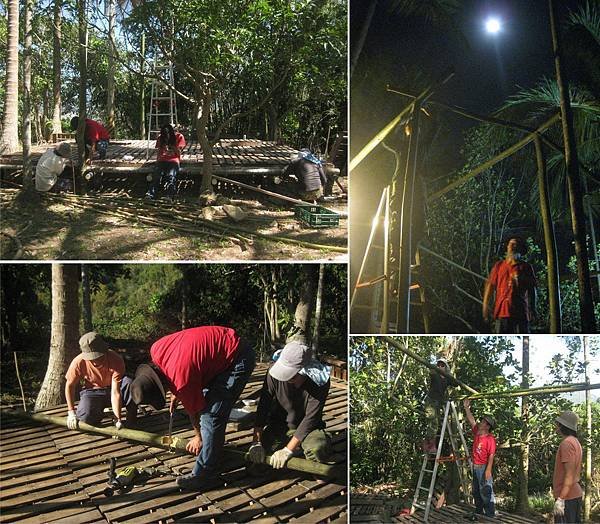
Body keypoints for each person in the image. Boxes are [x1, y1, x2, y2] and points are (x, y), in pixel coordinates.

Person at [143, 326, 255, 491]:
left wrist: (198, 437)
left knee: (211, 416)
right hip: (218, 353)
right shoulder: (156, 349)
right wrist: (177, 392)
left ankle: (205, 474)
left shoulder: (182, 379)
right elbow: (181, 365)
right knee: (207, 406)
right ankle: (213, 450)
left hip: (237, 357)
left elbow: (194, 411)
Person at [247, 341, 333, 471]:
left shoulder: (320, 382)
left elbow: (311, 417)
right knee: (257, 459)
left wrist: (287, 450)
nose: (286, 379)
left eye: (292, 377)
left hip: (310, 428)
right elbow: (263, 406)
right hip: (279, 424)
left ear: (305, 372)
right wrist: (256, 442)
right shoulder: (272, 373)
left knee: (318, 449)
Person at [65, 332, 136, 429]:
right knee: (85, 416)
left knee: (129, 383)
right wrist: (71, 412)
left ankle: (130, 420)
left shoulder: (115, 359)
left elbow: (115, 392)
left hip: (113, 389)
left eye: (98, 356)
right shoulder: (78, 362)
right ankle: (98, 414)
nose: (95, 360)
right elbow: (70, 385)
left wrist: (118, 419)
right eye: (91, 358)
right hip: (93, 392)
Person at [482, 236, 536, 334]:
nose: (512, 246)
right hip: (502, 311)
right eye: (510, 244)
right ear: (507, 247)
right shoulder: (499, 266)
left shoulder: (526, 267)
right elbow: (490, 286)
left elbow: (531, 289)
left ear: (520, 248)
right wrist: (485, 306)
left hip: (521, 312)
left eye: (515, 244)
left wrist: (533, 309)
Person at [463, 399, 496, 519]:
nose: (481, 423)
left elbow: (491, 455)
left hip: (483, 467)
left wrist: (488, 470)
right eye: (482, 421)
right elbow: (472, 421)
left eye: (483, 422)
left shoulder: (490, 439)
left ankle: (490, 514)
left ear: (488, 426)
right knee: (476, 491)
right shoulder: (478, 432)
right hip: (475, 466)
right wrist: (467, 408)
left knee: (486, 490)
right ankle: (479, 511)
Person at [553, 410, 583, 524]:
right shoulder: (575, 442)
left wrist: (561, 499)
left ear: (562, 426)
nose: (556, 427)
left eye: (558, 424)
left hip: (568, 497)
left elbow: (569, 475)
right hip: (573, 495)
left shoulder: (567, 443)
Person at [423, 357, 457, 454]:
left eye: (442, 365)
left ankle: (427, 444)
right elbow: (431, 371)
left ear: (446, 367)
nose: (440, 367)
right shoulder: (435, 375)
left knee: (434, 423)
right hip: (430, 402)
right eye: (439, 365)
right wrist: (435, 368)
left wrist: (449, 374)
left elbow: (455, 384)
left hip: (438, 403)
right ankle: (431, 445)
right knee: (433, 423)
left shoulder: (446, 378)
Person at [145, 124, 186, 200]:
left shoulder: (179, 137)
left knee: (171, 176)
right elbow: (159, 152)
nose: (167, 135)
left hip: (173, 160)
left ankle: (169, 195)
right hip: (162, 160)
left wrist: (173, 146)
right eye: (165, 134)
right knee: (156, 175)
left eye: (168, 133)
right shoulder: (161, 138)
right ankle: (150, 194)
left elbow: (179, 153)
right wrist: (157, 162)